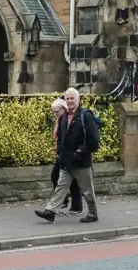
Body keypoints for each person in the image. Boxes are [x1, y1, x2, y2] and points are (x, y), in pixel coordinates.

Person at [36, 88, 100, 223]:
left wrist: (80, 151)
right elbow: (60, 137)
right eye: (68, 99)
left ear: (78, 100)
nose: (70, 101)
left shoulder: (85, 116)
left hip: (81, 161)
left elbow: (93, 140)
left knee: (87, 190)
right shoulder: (64, 117)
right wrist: (60, 151)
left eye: (72, 98)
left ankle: (93, 214)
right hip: (67, 161)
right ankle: (50, 212)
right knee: (61, 186)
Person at [49, 97, 84, 213]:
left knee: (71, 180)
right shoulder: (61, 119)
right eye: (53, 111)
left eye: (57, 111)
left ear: (64, 109)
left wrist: (79, 150)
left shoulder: (70, 119)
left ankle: (75, 206)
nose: (55, 114)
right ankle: (66, 202)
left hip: (71, 154)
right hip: (63, 154)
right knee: (57, 176)